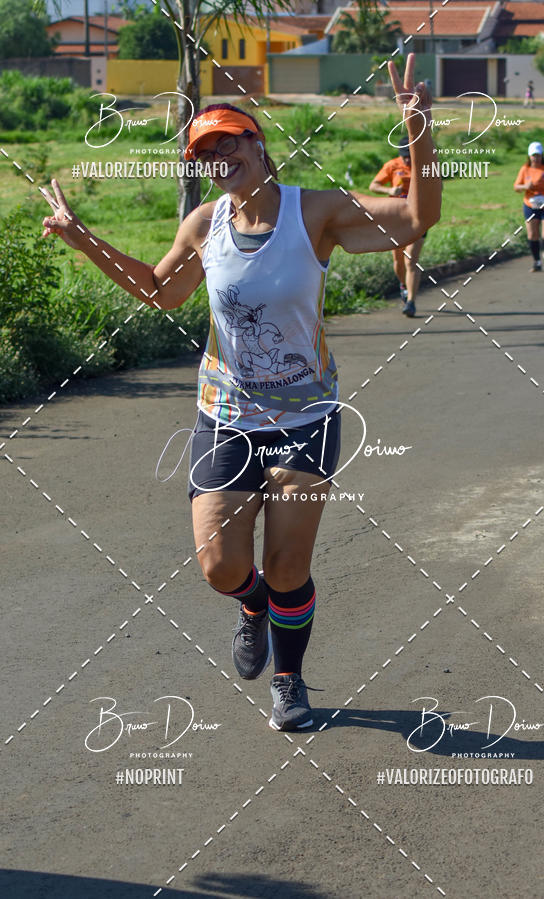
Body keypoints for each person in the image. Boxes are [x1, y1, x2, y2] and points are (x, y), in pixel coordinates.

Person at [41, 54, 441, 732]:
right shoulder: (204, 225)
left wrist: (419, 131)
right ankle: (250, 605)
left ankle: (289, 679)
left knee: (289, 563)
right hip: (224, 415)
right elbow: (161, 291)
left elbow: (414, 219)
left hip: (306, 413)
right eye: (206, 150)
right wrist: (84, 240)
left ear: (258, 144)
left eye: (229, 140)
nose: (219, 155)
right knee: (220, 566)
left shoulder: (315, 213)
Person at [369, 138, 428, 316]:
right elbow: (374, 185)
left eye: (410, 156)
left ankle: (411, 301)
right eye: (405, 157)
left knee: (411, 260)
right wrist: (389, 191)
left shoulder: (424, 166)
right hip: (396, 219)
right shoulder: (392, 166)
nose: (408, 161)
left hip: (418, 218)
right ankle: (403, 285)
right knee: (398, 261)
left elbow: (437, 187)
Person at [514, 141, 544, 272]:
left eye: (538, 155)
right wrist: (525, 187)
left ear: (542, 155)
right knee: (533, 234)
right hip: (530, 205)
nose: (536, 158)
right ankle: (537, 261)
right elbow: (516, 187)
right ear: (529, 156)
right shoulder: (525, 169)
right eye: (533, 155)